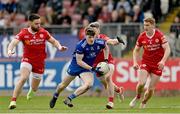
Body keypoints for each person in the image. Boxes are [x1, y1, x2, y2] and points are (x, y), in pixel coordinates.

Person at [8, 14, 68, 109]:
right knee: (23, 78)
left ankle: (31, 90)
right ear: (30, 23)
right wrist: (9, 50)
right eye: (36, 24)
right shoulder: (23, 33)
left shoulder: (43, 32)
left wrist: (60, 47)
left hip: (39, 62)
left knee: (35, 88)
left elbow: (53, 41)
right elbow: (13, 42)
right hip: (27, 60)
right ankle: (13, 101)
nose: (39, 25)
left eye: (40, 23)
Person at [49, 26, 109, 108]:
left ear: (95, 36)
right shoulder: (80, 45)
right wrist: (92, 68)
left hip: (86, 68)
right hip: (76, 66)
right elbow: (79, 61)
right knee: (63, 85)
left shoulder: (100, 42)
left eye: (93, 37)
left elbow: (106, 47)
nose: (91, 39)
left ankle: (69, 98)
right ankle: (55, 96)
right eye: (89, 37)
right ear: (85, 36)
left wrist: (105, 60)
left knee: (89, 85)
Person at [129, 17, 170, 108]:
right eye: (144, 25)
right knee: (141, 84)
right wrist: (135, 62)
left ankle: (144, 102)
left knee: (151, 89)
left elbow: (167, 49)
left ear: (153, 25)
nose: (145, 27)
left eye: (147, 25)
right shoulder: (142, 36)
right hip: (146, 63)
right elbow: (135, 50)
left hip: (157, 65)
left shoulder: (159, 35)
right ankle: (137, 97)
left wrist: (163, 61)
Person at [88, 22, 125, 109]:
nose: (93, 31)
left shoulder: (102, 37)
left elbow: (110, 41)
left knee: (108, 78)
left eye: (95, 29)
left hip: (108, 61)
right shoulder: (88, 39)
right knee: (106, 83)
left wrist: (118, 41)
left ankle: (111, 102)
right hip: (97, 65)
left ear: (98, 30)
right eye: (91, 29)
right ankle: (119, 90)